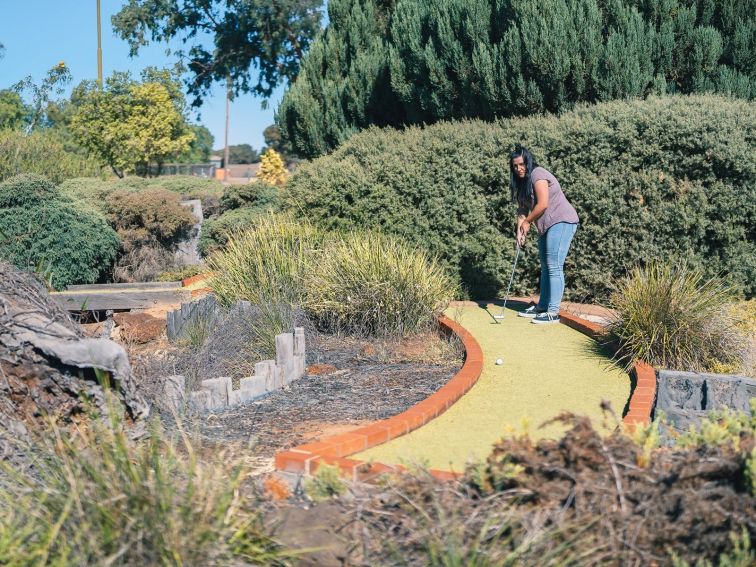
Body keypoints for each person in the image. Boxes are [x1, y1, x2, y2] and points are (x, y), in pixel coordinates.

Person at [510, 145, 579, 324]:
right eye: (515, 166)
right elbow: (523, 208)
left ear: (528, 162)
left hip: (562, 220)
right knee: (546, 266)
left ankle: (553, 312)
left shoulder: (537, 174)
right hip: (546, 226)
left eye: (522, 164)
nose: (519, 168)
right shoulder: (521, 182)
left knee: (554, 265)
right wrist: (520, 230)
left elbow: (543, 204)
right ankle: (542, 307)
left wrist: (527, 222)